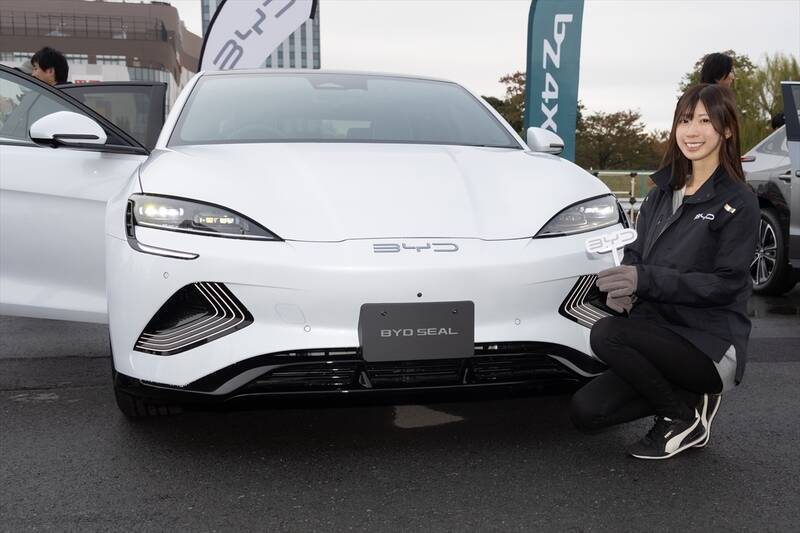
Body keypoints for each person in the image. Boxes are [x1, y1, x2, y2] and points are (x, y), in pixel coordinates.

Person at [570, 83, 759, 460]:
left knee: (606, 334)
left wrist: (645, 280)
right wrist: (625, 285)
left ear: (726, 130)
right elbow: (636, 254)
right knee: (587, 413)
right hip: (658, 335)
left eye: (704, 121)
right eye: (685, 121)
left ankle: (679, 417)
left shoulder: (739, 200)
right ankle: (689, 401)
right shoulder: (660, 193)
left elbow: (725, 285)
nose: (692, 131)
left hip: (709, 344)